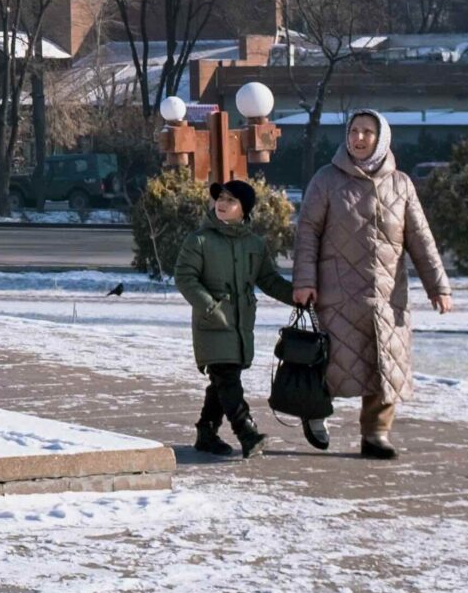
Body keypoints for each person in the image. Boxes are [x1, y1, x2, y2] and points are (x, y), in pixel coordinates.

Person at [294, 110, 453, 458]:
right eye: (354, 131)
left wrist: (438, 286)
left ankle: (376, 434)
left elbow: (421, 240)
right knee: (330, 362)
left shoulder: (401, 184)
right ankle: (315, 412)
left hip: (386, 296)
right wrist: (304, 280)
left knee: (385, 364)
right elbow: (307, 233)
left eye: (367, 132)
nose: (360, 138)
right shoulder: (325, 180)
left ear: (381, 138)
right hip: (336, 295)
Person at [173, 179, 297, 457]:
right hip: (212, 324)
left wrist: (296, 296)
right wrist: (210, 306)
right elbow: (184, 277)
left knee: (222, 382)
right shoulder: (199, 240)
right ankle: (247, 432)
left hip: (241, 324)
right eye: (221, 198)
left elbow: (268, 279)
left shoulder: (254, 244)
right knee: (227, 379)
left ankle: (206, 432)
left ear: (244, 209)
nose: (222, 204)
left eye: (231, 200)